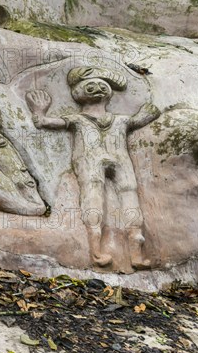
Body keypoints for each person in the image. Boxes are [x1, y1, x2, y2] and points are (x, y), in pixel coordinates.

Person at [25, 67, 160, 269]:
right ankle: (96, 252)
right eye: (90, 86)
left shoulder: (121, 120)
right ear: (77, 93)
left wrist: (147, 114)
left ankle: (136, 253)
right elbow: (44, 123)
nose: (97, 88)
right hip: (89, 160)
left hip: (120, 158)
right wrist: (39, 111)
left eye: (102, 86)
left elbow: (138, 120)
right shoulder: (77, 119)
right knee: (93, 194)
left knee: (129, 192)